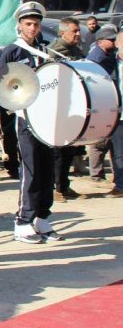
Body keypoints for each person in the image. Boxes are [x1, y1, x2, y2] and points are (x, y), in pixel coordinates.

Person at [0, 2, 63, 244]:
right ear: (19, 25)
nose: (33, 28)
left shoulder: (45, 50)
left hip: (47, 118)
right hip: (26, 119)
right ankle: (23, 220)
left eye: (36, 24)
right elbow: (1, 86)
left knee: (47, 169)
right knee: (31, 169)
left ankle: (42, 217)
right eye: (28, 24)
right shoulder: (12, 52)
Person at [48, 17, 88, 196]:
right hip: (58, 107)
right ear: (62, 32)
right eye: (74, 31)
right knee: (58, 151)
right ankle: (56, 187)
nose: (78, 34)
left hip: (73, 105)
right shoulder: (54, 51)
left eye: (79, 31)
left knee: (69, 149)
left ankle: (64, 185)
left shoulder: (76, 50)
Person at [86, 27, 118, 182]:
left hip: (110, 99)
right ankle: (96, 175)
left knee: (111, 140)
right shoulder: (96, 58)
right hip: (100, 101)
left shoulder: (110, 54)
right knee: (100, 141)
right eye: (111, 40)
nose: (114, 42)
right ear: (100, 42)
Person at [106, 30, 123, 198]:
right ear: (117, 44)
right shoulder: (109, 63)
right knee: (118, 152)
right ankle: (120, 185)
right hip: (117, 114)